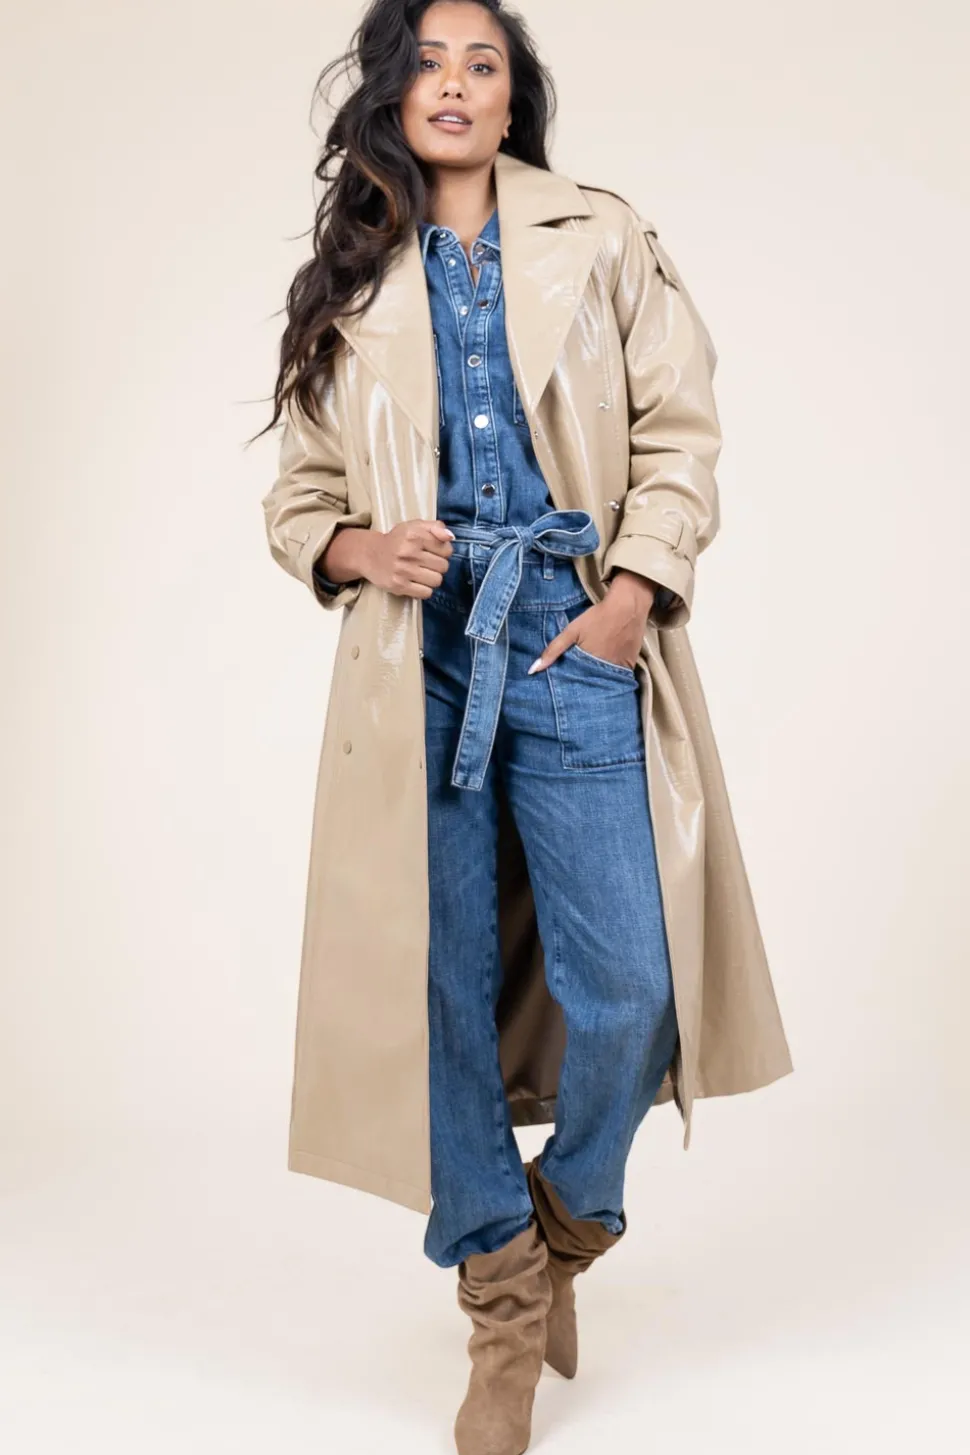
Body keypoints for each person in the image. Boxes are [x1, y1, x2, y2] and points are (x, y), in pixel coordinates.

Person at [258, 3, 793, 1452]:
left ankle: (573, 1217)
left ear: (513, 99)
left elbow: (680, 432)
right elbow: (300, 496)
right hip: (415, 656)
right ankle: (501, 1292)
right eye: (427, 62)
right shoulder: (352, 275)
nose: (454, 84)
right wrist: (360, 550)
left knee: (632, 981)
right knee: (433, 990)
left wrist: (630, 594)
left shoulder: (602, 235)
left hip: (570, 634)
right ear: (392, 94)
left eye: (481, 64)